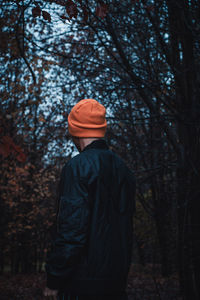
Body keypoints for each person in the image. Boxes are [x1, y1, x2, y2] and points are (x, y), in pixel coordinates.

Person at [44, 99, 136, 300]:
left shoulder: (77, 167)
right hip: (116, 284)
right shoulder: (124, 170)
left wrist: (54, 279)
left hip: (81, 286)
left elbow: (71, 231)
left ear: (75, 130)